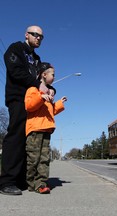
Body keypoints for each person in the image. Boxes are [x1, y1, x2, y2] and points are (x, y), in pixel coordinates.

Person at [0, 26, 51, 195]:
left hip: (34, 102)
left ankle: (22, 178)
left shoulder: (36, 58)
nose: (38, 38)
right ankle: (7, 181)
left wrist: (50, 90)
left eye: (41, 37)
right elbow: (15, 71)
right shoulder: (16, 48)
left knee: (28, 140)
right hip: (18, 99)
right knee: (16, 136)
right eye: (35, 35)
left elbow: (43, 80)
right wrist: (38, 85)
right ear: (26, 35)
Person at [25, 62, 67, 194]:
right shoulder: (33, 90)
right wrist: (41, 97)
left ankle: (41, 183)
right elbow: (29, 106)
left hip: (46, 130)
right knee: (33, 158)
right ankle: (30, 182)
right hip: (34, 130)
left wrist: (59, 103)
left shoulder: (50, 94)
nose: (54, 77)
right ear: (44, 74)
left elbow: (51, 112)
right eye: (52, 75)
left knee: (44, 159)